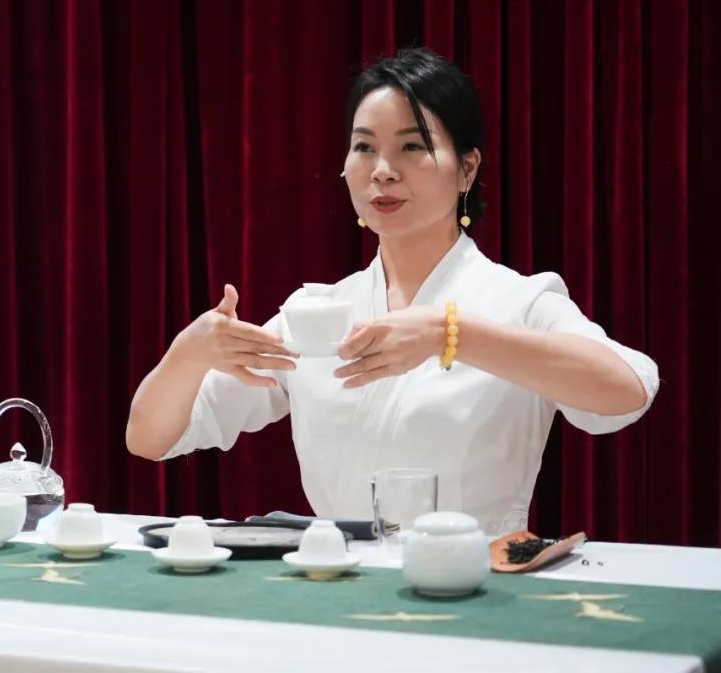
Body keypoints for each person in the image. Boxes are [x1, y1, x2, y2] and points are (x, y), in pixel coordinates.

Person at [125, 48, 658, 535]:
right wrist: (188, 354)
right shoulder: (318, 313)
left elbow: (627, 391)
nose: (382, 171)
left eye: (412, 146)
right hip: (339, 583)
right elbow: (150, 439)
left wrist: (449, 335)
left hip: (475, 581)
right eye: (364, 147)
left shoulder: (518, 300)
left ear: (466, 169)